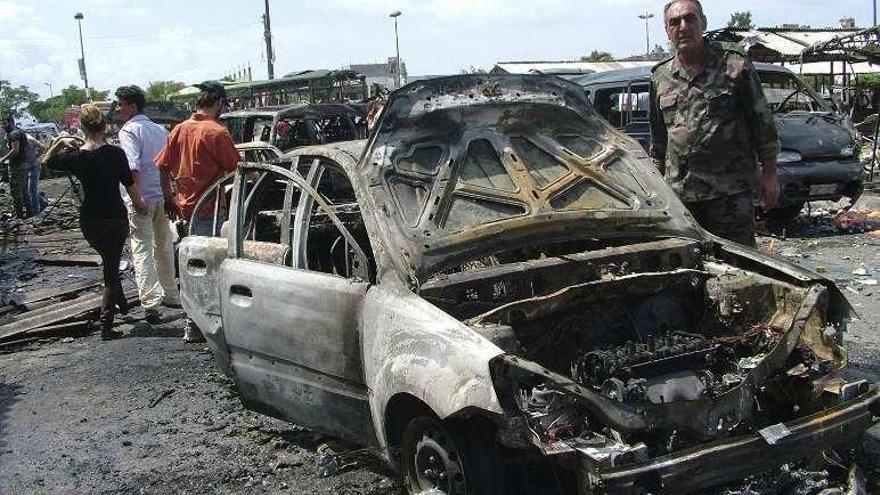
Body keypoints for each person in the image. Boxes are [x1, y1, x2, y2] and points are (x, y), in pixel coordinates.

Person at [649, 0, 780, 247]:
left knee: (739, 263)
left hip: (729, 193)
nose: (683, 27)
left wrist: (770, 173)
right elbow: (658, 141)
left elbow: (761, 121)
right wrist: (656, 190)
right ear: (667, 30)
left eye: (690, 18)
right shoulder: (660, 76)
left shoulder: (734, 64)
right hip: (681, 196)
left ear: (704, 23)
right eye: (674, 22)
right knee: (688, 263)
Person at [45, 105, 148, 340]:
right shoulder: (116, 154)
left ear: (82, 127)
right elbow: (131, 187)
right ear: (105, 126)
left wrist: (59, 144)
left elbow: (47, 163)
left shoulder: (77, 157)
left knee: (109, 260)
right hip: (115, 217)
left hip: (90, 220)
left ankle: (123, 306)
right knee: (110, 271)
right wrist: (142, 207)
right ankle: (106, 326)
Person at [156, 81, 240, 342]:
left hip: (185, 211)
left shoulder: (179, 130)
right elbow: (238, 170)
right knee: (212, 271)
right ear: (219, 103)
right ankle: (212, 329)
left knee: (191, 269)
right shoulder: (216, 132)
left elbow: (161, 167)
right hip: (211, 212)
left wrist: (169, 199)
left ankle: (193, 326)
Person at [115, 85, 181, 325]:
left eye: (121, 104)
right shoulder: (158, 130)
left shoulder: (129, 131)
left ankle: (151, 303)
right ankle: (171, 294)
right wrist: (169, 194)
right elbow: (167, 167)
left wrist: (137, 198)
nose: (118, 109)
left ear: (132, 106)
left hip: (142, 197)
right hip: (161, 196)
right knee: (163, 246)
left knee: (142, 249)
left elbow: (133, 166)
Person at [1, 116, 31, 218]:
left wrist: (3, 159)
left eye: (4, 123)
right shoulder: (20, 132)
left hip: (17, 165)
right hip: (23, 163)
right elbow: (26, 147)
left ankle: (20, 215)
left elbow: (15, 150)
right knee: (24, 190)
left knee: (15, 191)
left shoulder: (13, 134)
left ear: (11, 122)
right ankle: (29, 213)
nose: (3, 126)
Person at [25, 133, 47, 215]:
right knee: (29, 190)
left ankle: (36, 212)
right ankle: (43, 203)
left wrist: (36, 156)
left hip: (34, 165)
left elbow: (43, 148)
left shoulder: (29, 139)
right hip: (26, 166)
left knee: (32, 189)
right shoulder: (17, 140)